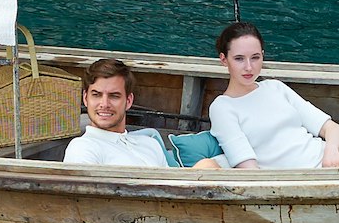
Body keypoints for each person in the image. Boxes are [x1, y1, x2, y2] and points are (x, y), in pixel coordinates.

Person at [208, 21, 339, 169]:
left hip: (326, 158)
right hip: (291, 177)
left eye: (255, 57)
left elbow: (333, 129)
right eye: (239, 59)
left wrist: (331, 151)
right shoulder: (223, 107)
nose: (249, 67)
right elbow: (248, 168)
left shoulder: (275, 88)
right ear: (224, 60)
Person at [63, 58, 222, 170]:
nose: (104, 104)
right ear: (85, 98)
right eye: (96, 95)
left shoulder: (149, 144)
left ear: (129, 101)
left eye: (114, 96)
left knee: (209, 165)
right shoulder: (83, 148)